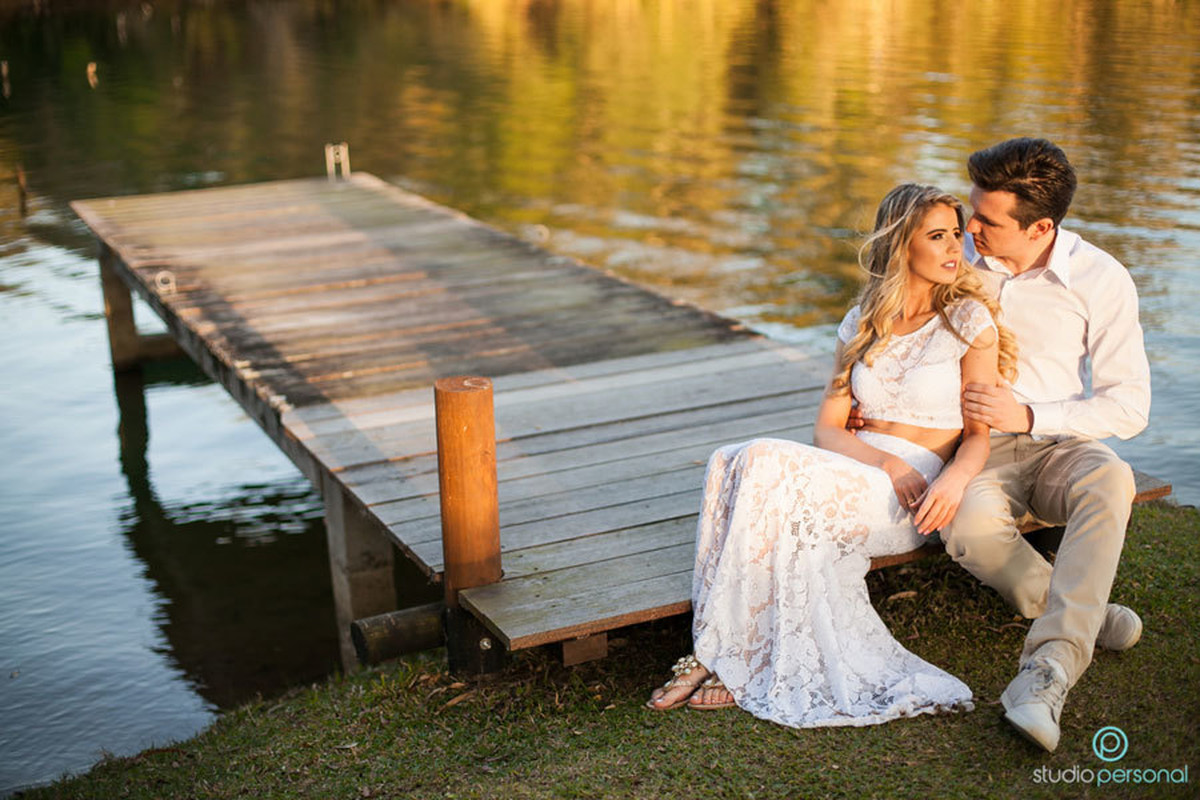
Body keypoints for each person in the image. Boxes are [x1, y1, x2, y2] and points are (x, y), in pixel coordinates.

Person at [645, 183, 1017, 727]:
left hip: (915, 489)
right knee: (730, 458)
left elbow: (978, 437)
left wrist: (953, 482)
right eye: (937, 236)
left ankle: (720, 658)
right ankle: (718, 650)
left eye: (956, 236)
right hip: (865, 466)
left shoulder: (966, 321)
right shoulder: (863, 320)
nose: (954, 249)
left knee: (763, 459)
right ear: (901, 244)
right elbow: (828, 428)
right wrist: (884, 462)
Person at [941, 138, 1151, 752]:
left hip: (1058, 442)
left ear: (1041, 227)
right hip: (976, 448)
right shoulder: (958, 259)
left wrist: (1031, 412)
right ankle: (1087, 613)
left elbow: (1129, 404)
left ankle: (1047, 673)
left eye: (986, 220)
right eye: (971, 211)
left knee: (1112, 478)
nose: (968, 228)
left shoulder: (1100, 278)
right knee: (970, 529)